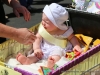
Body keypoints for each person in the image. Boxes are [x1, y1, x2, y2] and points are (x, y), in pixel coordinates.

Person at [16, 3, 83, 69]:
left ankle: (52, 62)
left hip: (57, 47)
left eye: (47, 22)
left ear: (57, 24)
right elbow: (37, 38)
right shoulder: (43, 28)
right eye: (42, 20)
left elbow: (72, 38)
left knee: (57, 54)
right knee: (36, 55)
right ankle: (28, 60)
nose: (43, 23)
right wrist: (36, 49)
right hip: (43, 48)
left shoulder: (64, 30)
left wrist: (76, 46)